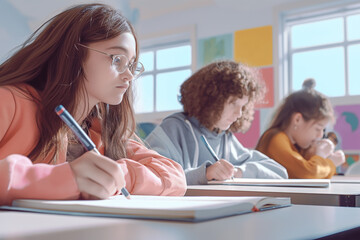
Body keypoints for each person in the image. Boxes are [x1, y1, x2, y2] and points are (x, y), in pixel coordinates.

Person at [0, 3, 186, 206]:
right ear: (74, 54)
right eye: (117, 59)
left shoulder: (102, 131)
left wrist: (118, 175)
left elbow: (174, 175)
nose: (129, 75)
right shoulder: (9, 101)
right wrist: (67, 179)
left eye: (132, 64)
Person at [145, 60, 288, 185]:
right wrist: (205, 174)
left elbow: (280, 173)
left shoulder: (225, 137)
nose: (239, 114)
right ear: (211, 99)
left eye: (243, 106)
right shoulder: (174, 128)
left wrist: (239, 172)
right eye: (233, 103)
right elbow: (151, 176)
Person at [256, 79, 345, 179]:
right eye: (317, 129)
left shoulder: (295, 145)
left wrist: (314, 154)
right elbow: (307, 173)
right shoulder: (275, 138)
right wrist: (327, 160)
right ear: (297, 120)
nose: (320, 135)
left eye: (323, 130)